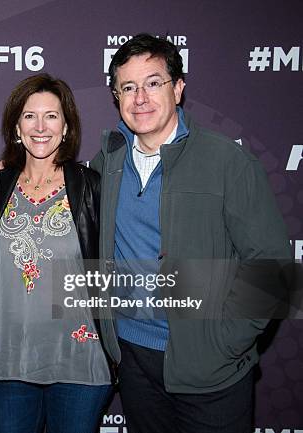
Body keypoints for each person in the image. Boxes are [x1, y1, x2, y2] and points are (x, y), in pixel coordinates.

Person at [89, 33, 291, 433]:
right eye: (128, 87)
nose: (140, 97)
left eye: (153, 83)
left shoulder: (227, 161)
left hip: (211, 369)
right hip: (133, 359)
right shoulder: (105, 161)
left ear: (178, 89)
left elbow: (272, 267)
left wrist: (226, 343)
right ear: (116, 98)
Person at [0, 73, 118, 433]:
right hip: (8, 360)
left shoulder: (92, 187)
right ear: (16, 126)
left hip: (79, 362)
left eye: (52, 115)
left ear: (67, 125)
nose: (40, 126)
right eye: (29, 116)